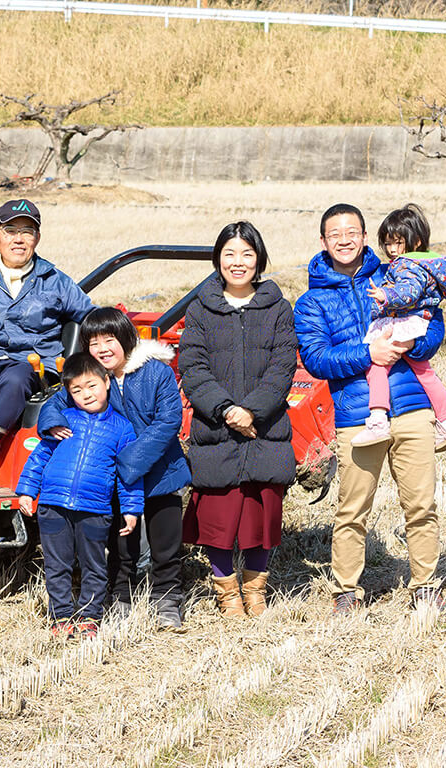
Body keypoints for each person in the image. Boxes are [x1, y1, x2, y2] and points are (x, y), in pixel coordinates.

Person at [294, 203, 446, 616]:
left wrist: (410, 344)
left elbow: (433, 321)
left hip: (412, 405)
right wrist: (370, 352)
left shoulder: (394, 273)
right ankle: (346, 591)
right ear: (324, 241)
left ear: (366, 237)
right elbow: (317, 359)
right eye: (335, 234)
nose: (344, 240)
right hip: (357, 415)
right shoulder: (311, 302)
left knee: (421, 503)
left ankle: (426, 586)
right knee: (352, 508)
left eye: (352, 232)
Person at [38, 307, 192, 630]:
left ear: (125, 338)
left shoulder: (155, 372)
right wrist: (51, 422)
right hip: (118, 483)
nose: (103, 349)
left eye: (109, 340)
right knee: (122, 544)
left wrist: (127, 461)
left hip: (161, 471)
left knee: (166, 543)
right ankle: (120, 596)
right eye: (94, 343)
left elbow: (168, 421)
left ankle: (167, 600)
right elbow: (55, 403)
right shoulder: (92, 378)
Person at [179, 221, 298, 618]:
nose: (238, 262)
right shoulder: (200, 308)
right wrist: (228, 410)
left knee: (260, 514)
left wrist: (253, 410)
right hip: (216, 430)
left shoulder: (279, 309)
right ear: (218, 260)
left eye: (247, 254)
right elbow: (192, 368)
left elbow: (283, 367)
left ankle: (255, 589)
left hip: (266, 431)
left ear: (259, 260)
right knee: (218, 516)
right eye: (229, 253)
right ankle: (227, 593)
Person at [0, 199, 94, 489]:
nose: (19, 239)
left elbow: (89, 315)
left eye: (27, 231)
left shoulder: (56, 281)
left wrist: (112, 333)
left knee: (14, 379)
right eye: (11, 231)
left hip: (32, 366)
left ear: (38, 237)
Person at [16, 354, 142, 639]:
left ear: (107, 382)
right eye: (76, 390)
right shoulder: (62, 421)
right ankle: (60, 616)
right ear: (68, 393)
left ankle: (89, 616)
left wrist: (132, 509)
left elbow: (128, 474)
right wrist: (27, 491)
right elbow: (39, 457)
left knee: (93, 565)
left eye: (92, 386)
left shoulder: (122, 428)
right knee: (56, 565)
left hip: (95, 510)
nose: (86, 395)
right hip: (53, 505)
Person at [352, 205, 446, 451]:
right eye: (388, 244)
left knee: (376, 365)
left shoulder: (407, 265)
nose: (392, 250)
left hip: (402, 321)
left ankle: (378, 420)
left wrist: (385, 294)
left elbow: (408, 291)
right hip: (418, 322)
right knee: (425, 373)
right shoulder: (429, 263)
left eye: (398, 243)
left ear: (417, 241)